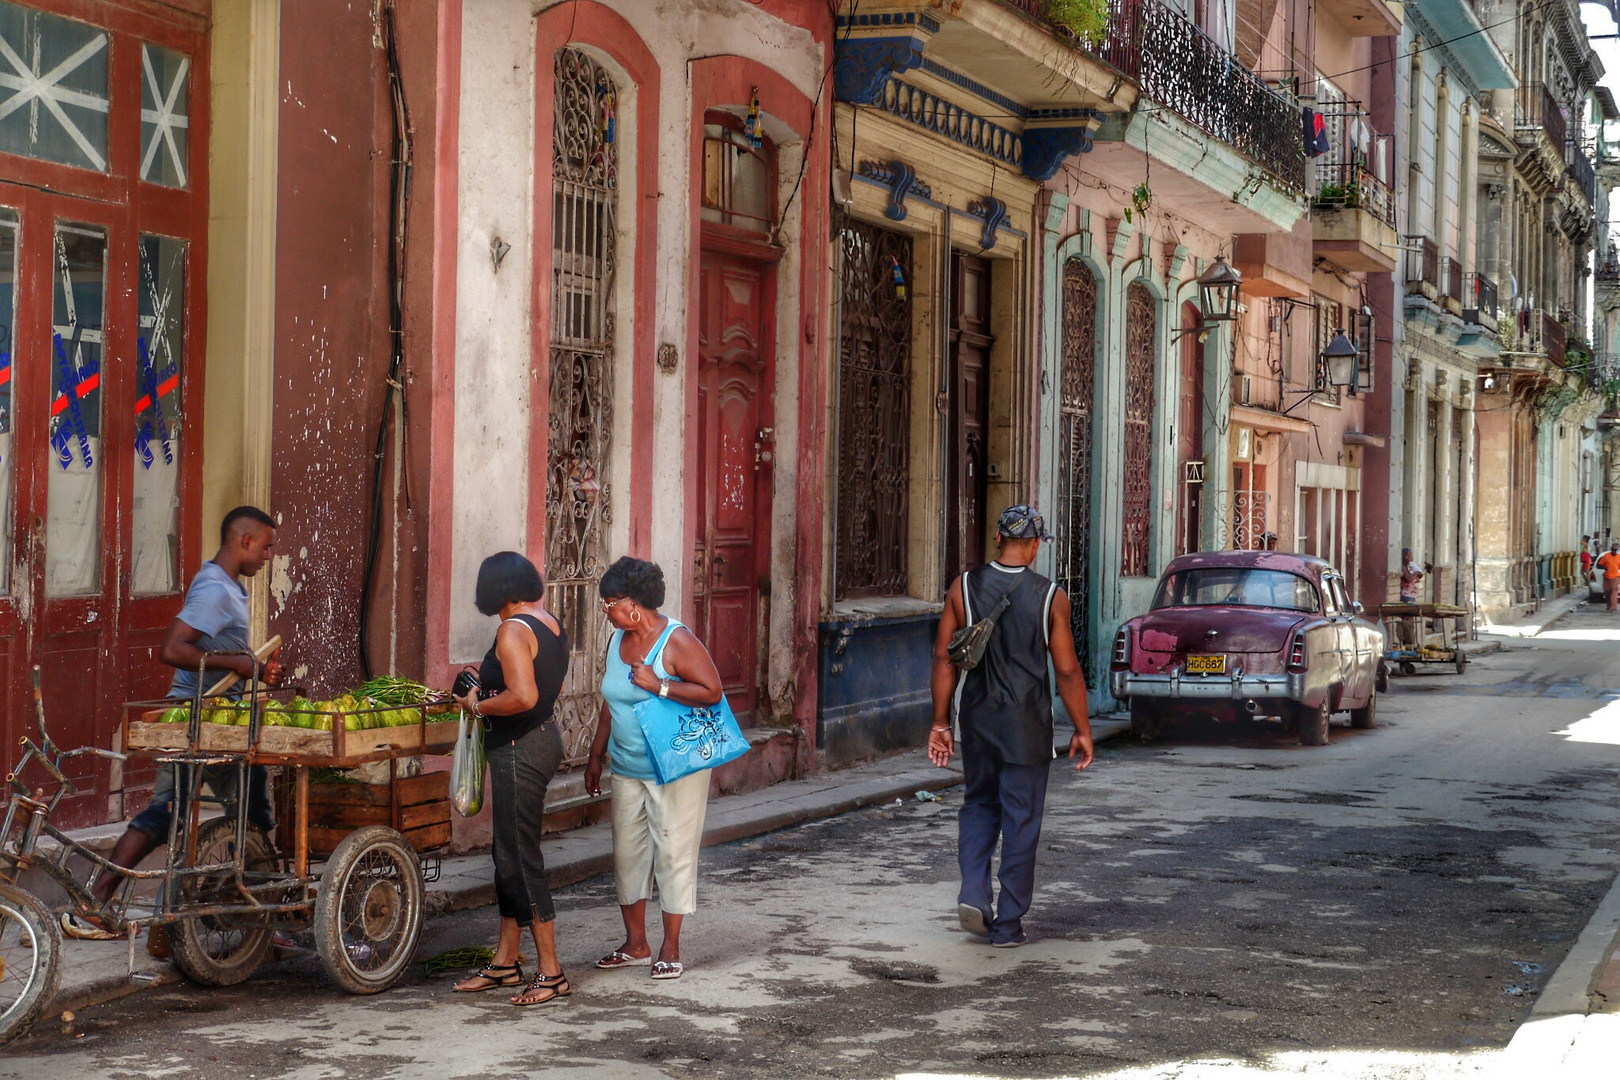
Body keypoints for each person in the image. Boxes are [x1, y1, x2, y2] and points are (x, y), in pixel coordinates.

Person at [61, 506, 285, 943]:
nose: (268, 556)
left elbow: (221, 654)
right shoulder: (215, 588)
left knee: (173, 811)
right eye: (266, 545)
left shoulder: (229, 588)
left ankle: (104, 906)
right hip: (196, 720)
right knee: (244, 814)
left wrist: (252, 668)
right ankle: (265, 925)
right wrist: (236, 662)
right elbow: (172, 648)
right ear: (244, 541)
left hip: (211, 719)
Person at [928, 505, 1095, 948]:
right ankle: (1007, 926)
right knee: (1021, 821)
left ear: (998, 539)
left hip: (979, 723)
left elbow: (944, 660)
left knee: (979, 806)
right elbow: (1067, 671)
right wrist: (1082, 728)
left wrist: (940, 723)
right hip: (1026, 727)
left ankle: (973, 895)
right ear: (1036, 545)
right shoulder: (1050, 596)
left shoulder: (962, 587)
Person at [585, 557, 724, 981]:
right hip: (627, 767)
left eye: (609, 603)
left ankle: (670, 946)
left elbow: (712, 692)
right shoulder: (617, 642)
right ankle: (635, 944)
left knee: (673, 852)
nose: (604, 610)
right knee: (627, 854)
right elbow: (610, 702)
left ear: (633, 604)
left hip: (675, 768)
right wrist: (596, 753)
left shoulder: (676, 640)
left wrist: (658, 684)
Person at [451, 551, 571, 1006]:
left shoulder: (511, 630)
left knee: (520, 857)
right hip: (539, 739)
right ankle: (506, 960)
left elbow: (523, 695)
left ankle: (551, 971)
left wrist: (477, 704)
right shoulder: (548, 622)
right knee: (507, 855)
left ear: (493, 590)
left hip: (521, 747)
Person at [1596, 542, 1620, 613]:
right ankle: (1608, 604)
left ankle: (1614, 607)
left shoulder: (1619, 557)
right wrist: (1604, 567)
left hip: (1616, 576)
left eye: (1615, 550)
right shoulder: (1606, 556)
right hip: (1607, 576)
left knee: (1614, 591)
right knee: (1607, 591)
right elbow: (1598, 565)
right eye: (1613, 550)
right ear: (1611, 549)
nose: (1614, 551)